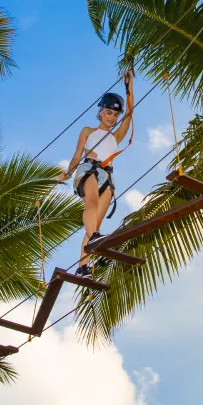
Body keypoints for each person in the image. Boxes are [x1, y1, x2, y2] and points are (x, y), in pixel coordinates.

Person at [60, 70, 135, 275]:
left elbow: (130, 113)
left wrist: (129, 86)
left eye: (115, 115)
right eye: (109, 113)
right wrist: (68, 173)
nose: (112, 117)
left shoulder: (116, 137)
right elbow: (77, 155)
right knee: (91, 204)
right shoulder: (88, 131)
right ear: (101, 111)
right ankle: (94, 238)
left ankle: (83, 266)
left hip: (107, 177)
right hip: (88, 170)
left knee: (96, 224)